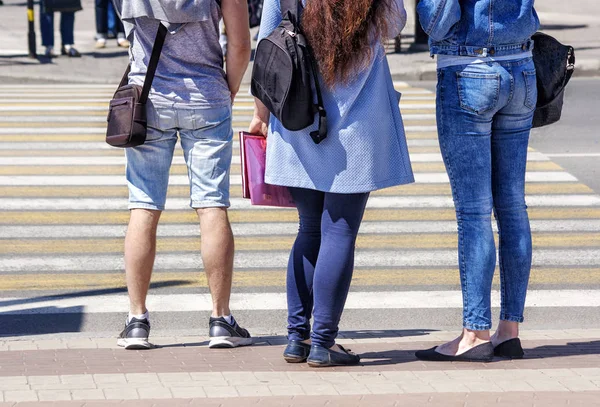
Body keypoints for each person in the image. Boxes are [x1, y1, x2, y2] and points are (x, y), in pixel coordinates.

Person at [250, 0, 414, 367]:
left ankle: (297, 339)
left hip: (299, 114)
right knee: (339, 231)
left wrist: (260, 114)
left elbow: (267, 44)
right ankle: (323, 342)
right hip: (357, 124)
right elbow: (396, 24)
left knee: (309, 229)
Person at [112, 0, 252, 350]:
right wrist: (228, 90)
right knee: (211, 205)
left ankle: (137, 321)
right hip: (206, 96)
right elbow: (239, 44)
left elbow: (128, 32)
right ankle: (221, 320)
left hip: (147, 100)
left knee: (143, 205)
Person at [414, 0, 539, 362]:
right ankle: (509, 331)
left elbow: (437, 20)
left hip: (470, 69)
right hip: (522, 70)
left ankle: (475, 332)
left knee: (475, 213)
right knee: (513, 206)